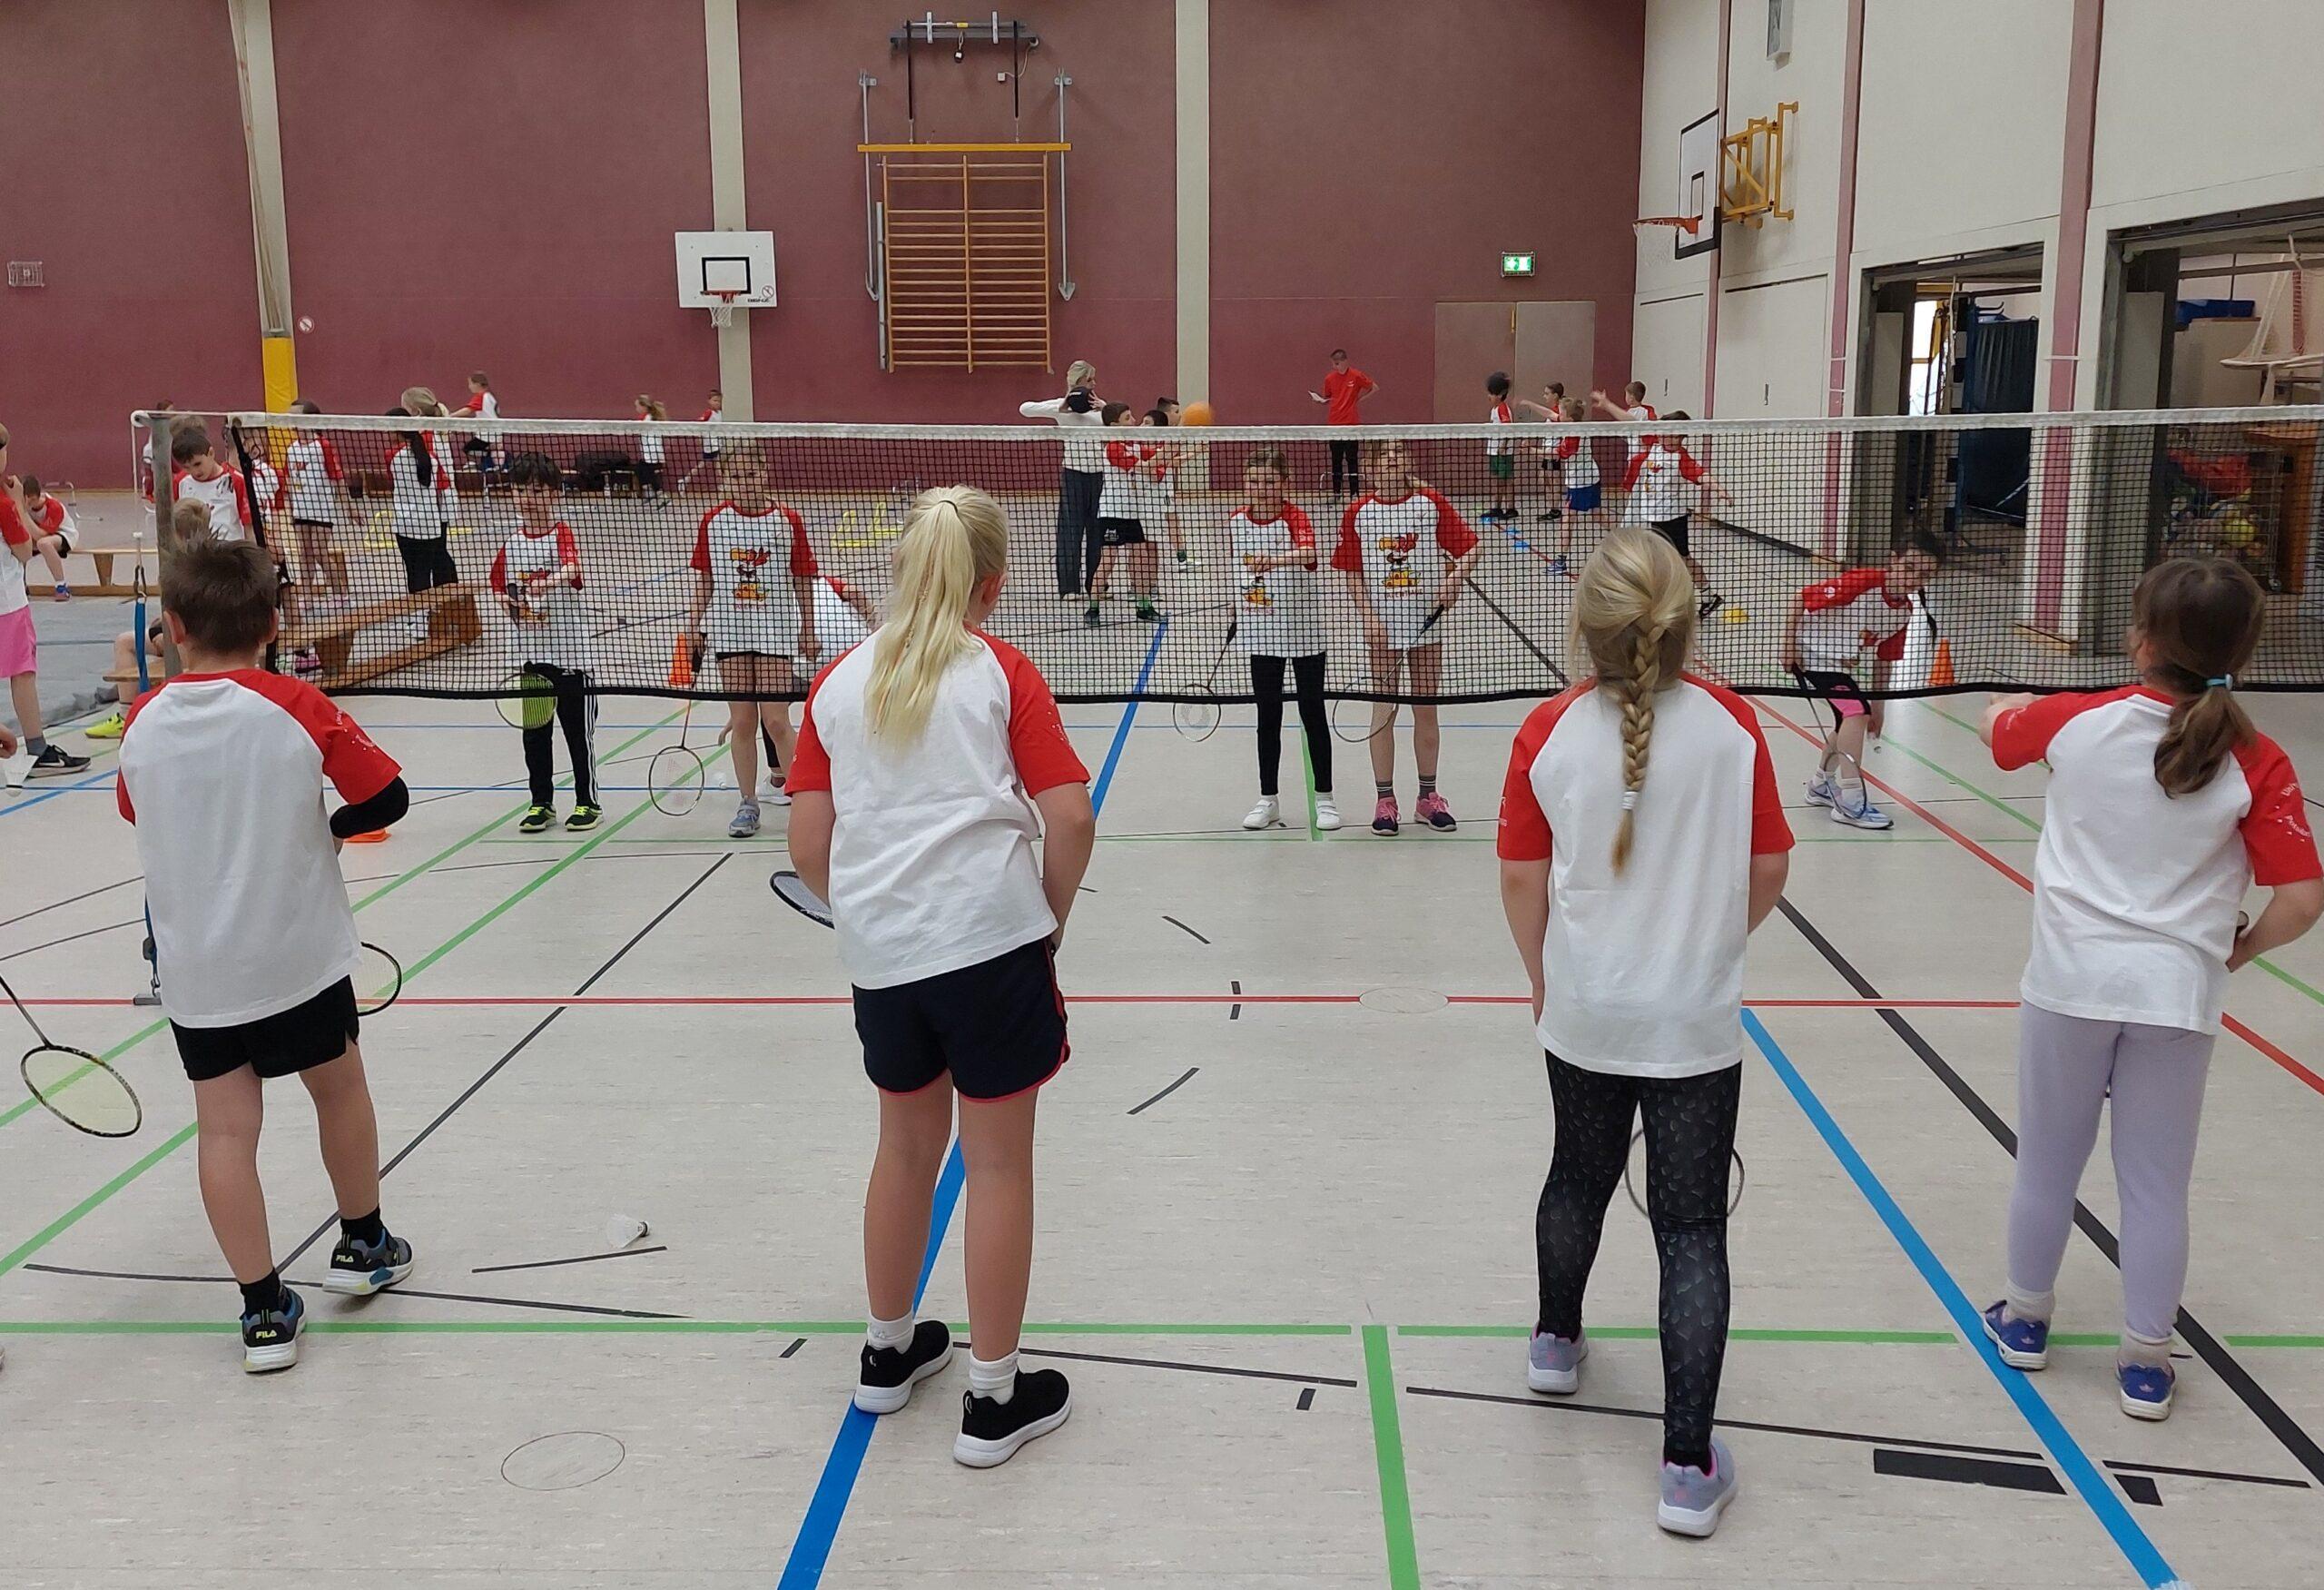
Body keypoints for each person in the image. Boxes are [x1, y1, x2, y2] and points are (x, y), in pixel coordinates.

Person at [786, 484, 1098, 1468]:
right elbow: (1071, 814)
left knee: (903, 1147)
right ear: (991, 586)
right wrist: (1047, 921)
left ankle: (887, 1352)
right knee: (996, 1165)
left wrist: (873, 913)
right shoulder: (1000, 669)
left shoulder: (837, 683)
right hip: (991, 950)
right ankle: (994, 1398)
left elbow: (807, 846)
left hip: (885, 963)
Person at [1497, 528, 1793, 1538]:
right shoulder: (1734, 726)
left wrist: (1543, 974)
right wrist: (1708, 946)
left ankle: (1554, 1343)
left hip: (1586, 1008)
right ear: (1683, 625)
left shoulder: (1546, 732)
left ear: (1586, 627)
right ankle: (1685, 1468)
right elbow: (1768, 868)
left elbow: (1521, 878)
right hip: (1691, 1021)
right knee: (1690, 1228)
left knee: (1575, 1176)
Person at [1979, 558, 2321, 1421]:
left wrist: (2006, 707)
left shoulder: (2076, 720)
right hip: (2177, 997)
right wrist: (2234, 953)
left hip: (2069, 985)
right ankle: (2144, 1361)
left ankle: (2025, 1320)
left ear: (2140, 640)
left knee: (2047, 1162)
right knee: (2156, 1185)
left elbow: (1999, 732)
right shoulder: (2258, 758)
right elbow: (2302, 899)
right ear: (2243, 649)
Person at [116, 536, 416, 1372]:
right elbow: (387, 795)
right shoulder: (295, 702)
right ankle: (364, 1243)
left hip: (197, 971)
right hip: (296, 956)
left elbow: (136, 809)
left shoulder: (142, 721)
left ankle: (262, 1311)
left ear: (175, 627)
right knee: (338, 1088)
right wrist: (331, 825)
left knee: (224, 1130)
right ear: (273, 625)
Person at [1334, 438, 1480, 835]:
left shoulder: (1430, 503)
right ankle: (1385, 801)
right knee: (1383, 711)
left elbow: (1471, 548)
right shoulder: (1358, 511)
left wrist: (1455, 578)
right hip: (1383, 628)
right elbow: (1351, 571)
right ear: (1371, 467)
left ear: (1407, 462)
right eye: (1384, 454)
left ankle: (1427, 798)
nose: (1392, 459)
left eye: (1399, 452)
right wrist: (1368, 619)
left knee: (1426, 710)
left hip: (1427, 624)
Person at [684, 445, 821, 839]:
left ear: (765, 474)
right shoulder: (714, 521)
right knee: (743, 721)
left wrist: (808, 628)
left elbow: (802, 578)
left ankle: (802, 800)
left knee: (776, 720)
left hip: (775, 630)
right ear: (723, 480)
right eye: (735, 476)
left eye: (751, 474)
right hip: (730, 630)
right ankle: (748, 802)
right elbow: (706, 580)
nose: (744, 483)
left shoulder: (787, 520)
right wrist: (693, 626)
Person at [1780, 531, 1945, 831]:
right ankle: (1850, 801)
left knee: (1850, 720)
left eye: (1924, 575)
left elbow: (1884, 661)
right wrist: (1788, 647)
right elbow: (1800, 599)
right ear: (1893, 560)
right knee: (1855, 713)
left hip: (1839, 663)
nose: (1913, 579)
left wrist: (1879, 708)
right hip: (1812, 653)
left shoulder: (1904, 613)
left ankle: (1820, 785)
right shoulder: (1863, 582)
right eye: (1909, 568)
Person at [490, 452, 600, 834]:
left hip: (570, 657)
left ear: (554, 493)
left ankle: (587, 802)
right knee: (536, 736)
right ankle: (541, 803)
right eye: (521, 490)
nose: (528, 498)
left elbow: (573, 567)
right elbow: (499, 587)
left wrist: (547, 582)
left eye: (537, 491)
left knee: (577, 735)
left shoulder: (560, 533)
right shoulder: (511, 542)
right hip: (531, 657)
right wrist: (509, 603)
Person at [1232, 448, 1337, 832]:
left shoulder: (1295, 517)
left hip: (1303, 632)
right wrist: (1236, 609)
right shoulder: (1236, 521)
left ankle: (1325, 798)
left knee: (1312, 713)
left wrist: (1274, 560)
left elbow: (1309, 553)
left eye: (1269, 481)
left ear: (1284, 484)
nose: (1261, 488)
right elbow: (1238, 570)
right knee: (1268, 717)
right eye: (1254, 481)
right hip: (1261, 632)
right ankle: (1268, 799)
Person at [0, 447, 92, 777]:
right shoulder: (5, 504)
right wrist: (16, 505)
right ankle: (38, 750)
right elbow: (25, 550)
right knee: (22, 671)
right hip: (7, 601)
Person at [1620, 415, 1731, 618]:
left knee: (1676, 560)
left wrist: (1719, 489)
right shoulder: (1654, 446)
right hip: (1653, 516)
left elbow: (1701, 474)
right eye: (1668, 434)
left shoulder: (1681, 458)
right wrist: (1606, 404)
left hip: (1672, 518)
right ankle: (1702, 597)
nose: (1671, 439)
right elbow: (1631, 421)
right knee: (1668, 560)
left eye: (1676, 436)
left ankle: (1690, 599)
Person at [1021, 360, 1107, 599]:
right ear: (1079, 382)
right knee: (1071, 531)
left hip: (1099, 477)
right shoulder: (1060, 407)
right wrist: (1060, 408)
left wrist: (1105, 408)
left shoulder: (1100, 410)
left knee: (1097, 532)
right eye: (1090, 380)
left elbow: (1124, 423)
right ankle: (1069, 588)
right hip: (1073, 476)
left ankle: (1095, 586)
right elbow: (1024, 408)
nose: (1094, 384)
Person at [1088, 403, 1164, 627]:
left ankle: (1144, 606)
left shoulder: (1135, 445)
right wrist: (1159, 457)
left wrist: (1176, 439)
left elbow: (1158, 458)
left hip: (1132, 513)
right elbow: (1145, 466)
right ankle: (1093, 608)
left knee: (1141, 558)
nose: (1134, 421)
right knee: (1108, 560)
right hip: (1111, 513)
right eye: (1128, 418)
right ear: (1115, 425)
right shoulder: (1113, 448)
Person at [387, 407, 459, 637]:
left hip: (405, 525)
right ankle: (433, 615)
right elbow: (440, 489)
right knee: (426, 570)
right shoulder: (432, 459)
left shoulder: (392, 456)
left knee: (414, 572)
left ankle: (419, 621)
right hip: (430, 524)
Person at [284, 400, 351, 616]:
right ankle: (306, 596)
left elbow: (337, 477)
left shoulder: (323, 446)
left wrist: (348, 507)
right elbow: (289, 480)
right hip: (300, 509)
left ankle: (340, 594)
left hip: (322, 508)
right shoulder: (291, 449)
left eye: (296, 416)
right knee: (305, 553)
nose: (292, 421)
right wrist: (290, 509)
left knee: (320, 552)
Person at [1541, 397, 1602, 574]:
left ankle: (1560, 561)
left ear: (1569, 417)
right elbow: (1550, 414)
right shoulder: (1575, 425)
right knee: (1598, 516)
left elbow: (1556, 454)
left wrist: (1532, 451)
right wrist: (1529, 404)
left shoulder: (1573, 435)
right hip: (1591, 477)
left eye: (1561, 412)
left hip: (1580, 482)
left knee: (1567, 519)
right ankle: (1624, 533)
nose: (1558, 415)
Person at [1309, 349, 1377, 498]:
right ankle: (1336, 493)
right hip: (1334, 426)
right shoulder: (1329, 378)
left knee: (1352, 460)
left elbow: (1374, 387)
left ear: (1345, 361)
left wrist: (1359, 399)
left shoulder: (1356, 375)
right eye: (1333, 364)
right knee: (1336, 460)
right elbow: (1328, 397)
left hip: (1351, 425)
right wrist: (1320, 400)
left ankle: (1354, 493)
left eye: (1337, 363)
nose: (1334, 366)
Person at [171, 427, 254, 541]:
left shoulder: (236, 481)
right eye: (186, 467)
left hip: (229, 548)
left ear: (211, 453)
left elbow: (249, 527)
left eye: (197, 464)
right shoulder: (180, 482)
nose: (195, 471)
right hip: (196, 550)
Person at [15, 475, 77, 601]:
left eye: (29, 500)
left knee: (44, 544)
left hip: (63, 535)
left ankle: (61, 586)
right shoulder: (22, 505)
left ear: (34, 497)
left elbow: (40, 536)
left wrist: (24, 513)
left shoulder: (53, 506)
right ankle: (21, 585)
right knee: (18, 544)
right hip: (40, 536)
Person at [1520, 382, 1568, 527]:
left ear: (1555, 395)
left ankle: (1555, 510)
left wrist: (1530, 404)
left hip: (1553, 453)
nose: (1544, 396)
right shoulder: (1552, 411)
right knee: (1544, 479)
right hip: (1546, 452)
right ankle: (1553, 508)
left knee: (1553, 481)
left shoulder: (1560, 412)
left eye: (1547, 393)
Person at [1592, 380, 1659, 463]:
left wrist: (1607, 405)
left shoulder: (1637, 412)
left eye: (1626, 394)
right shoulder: (1646, 410)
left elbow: (1627, 418)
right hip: (1637, 453)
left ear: (1631, 398)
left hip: (1639, 454)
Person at [1483, 371, 1519, 524]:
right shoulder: (1494, 409)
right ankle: (1496, 508)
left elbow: (1508, 428)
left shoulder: (1503, 408)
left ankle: (1511, 509)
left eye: (1491, 394)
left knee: (1506, 480)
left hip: (1503, 453)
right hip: (1493, 451)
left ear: (1500, 395)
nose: (1489, 397)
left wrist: (1503, 446)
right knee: (1497, 480)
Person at [450, 371, 499, 479]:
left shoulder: (481, 397)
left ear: (477, 384)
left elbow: (468, 410)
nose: (469, 386)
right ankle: (488, 461)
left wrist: (451, 415)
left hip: (487, 434)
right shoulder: (490, 397)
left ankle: (477, 464)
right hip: (495, 433)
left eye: (470, 383)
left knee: (468, 449)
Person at [679, 388, 725, 494]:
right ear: (709, 401)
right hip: (711, 443)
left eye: (719, 401)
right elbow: (699, 424)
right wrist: (700, 437)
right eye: (715, 400)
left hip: (718, 442)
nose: (717, 403)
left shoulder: (720, 413)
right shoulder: (709, 413)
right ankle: (722, 484)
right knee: (717, 463)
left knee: (708, 463)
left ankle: (686, 480)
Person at [635, 395, 671, 505]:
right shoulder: (650, 418)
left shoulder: (647, 418)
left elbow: (634, 427)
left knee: (650, 475)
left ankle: (664, 498)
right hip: (650, 452)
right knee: (640, 469)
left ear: (644, 406)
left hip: (652, 452)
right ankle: (649, 493)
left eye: (637, 406)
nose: (636, 409)